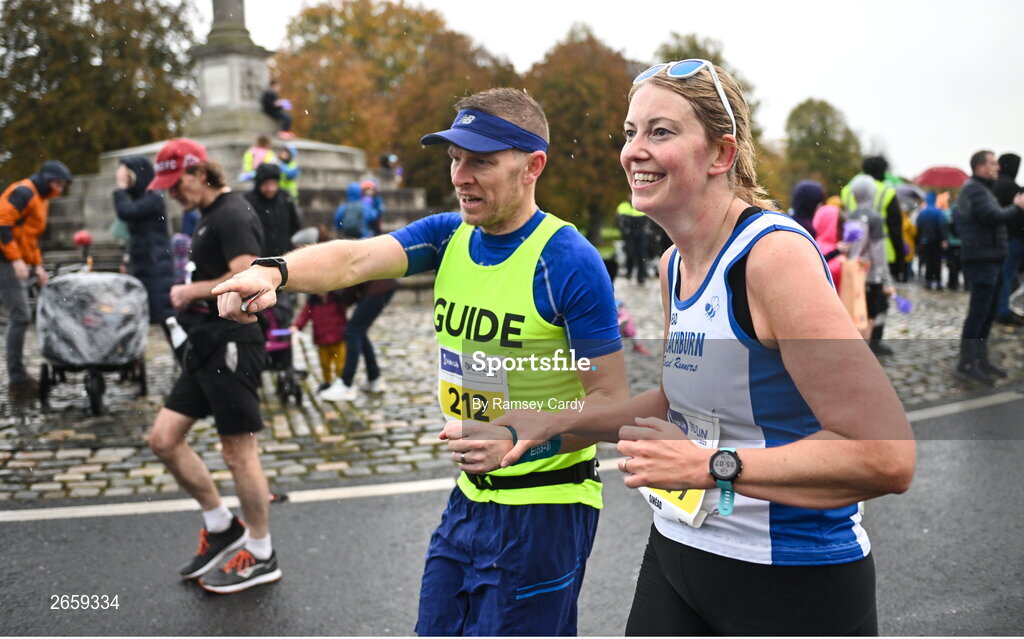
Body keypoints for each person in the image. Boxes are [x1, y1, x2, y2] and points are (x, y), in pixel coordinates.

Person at [491, 59, 915, 635]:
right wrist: (554, 425)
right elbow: (682, 401)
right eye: (630, 133)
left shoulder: (772, 259)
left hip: (790, 579)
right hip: (678, 554)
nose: (634, 151)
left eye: (660, 132)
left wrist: (707, 466)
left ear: (720, 154)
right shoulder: (672, 265)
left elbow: (886, 457)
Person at [213, 87, 627, 636]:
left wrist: (525, 436)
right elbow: (355, 258)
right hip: (468, 502)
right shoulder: (450, 234)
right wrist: (271, 272)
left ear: (533, 166)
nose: (460, 175)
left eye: (480, 160)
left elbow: (612, 406)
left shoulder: (568, 260)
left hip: (546, 509)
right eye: (455, 158)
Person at [144, 138, 281, 594]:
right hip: (203, 346)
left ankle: (262, 552)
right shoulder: (206, 216)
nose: (172, 193)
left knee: (238, 453)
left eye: (176, 182)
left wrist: (191, 291)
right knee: (163, 439)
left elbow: (247, 278)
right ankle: (221, 525)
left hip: (232, 344)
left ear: (200, 171)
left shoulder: (233, 213)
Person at [0, 160, 73, 393]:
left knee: (21, 315)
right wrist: (16, 259)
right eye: (58, 184)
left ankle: (18, 375)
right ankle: (17, 378)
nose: (60, 190)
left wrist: (38, 265)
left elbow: (29, 238)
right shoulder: (24, 192)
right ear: (48, 180)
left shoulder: (41, 199)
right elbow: (2, 223)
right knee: (20, 316)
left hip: (13, 258)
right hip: (4, 258)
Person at [955, 150, 1024, 385]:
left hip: (989, 259)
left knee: (987, 313)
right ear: (980, 167)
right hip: (982, 260)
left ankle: (980, 359)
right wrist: (1016, 206)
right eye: (993, 163)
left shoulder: (981, 189)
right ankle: (966, 362)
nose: (997, 167)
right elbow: (992, 216)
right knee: (979, 313)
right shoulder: (975, 188)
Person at [112, 155, 175, 330]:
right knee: (145, 315)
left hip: (155, 265)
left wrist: (120, 189)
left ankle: (184, 354)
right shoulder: (142, 198)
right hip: (145, 262)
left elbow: (126, 212)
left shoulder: (153, 198)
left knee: (164, 317)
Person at [317, 277, 396, 401]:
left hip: (377, 287)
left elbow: (351, 276)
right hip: (383, 284)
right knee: (359, 331)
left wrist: (344, 301)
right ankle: (374, 378)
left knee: (352, 332)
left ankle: (346, 384)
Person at [847, 175, 897, 348]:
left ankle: (859, 344)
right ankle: (872, 346)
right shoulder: (875, 219)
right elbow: (879, 253)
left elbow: (850, 247)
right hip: (872, 274)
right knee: (876, 311)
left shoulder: (852, 215)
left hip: (856, 272)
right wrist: (887, 281)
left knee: (859, 311)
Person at [842, 156, 905, 282]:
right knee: (878, 296)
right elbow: (895, 228)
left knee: (855, 295)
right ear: (883, 171)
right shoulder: (887, 192)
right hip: (883, 254)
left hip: (852, 251)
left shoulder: (847, 190)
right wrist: (900, 258)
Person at [291, 291, 351, 392]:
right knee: (325, 364)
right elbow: (304, 315)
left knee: (340, 364)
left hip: (338, 338)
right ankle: (327, 382)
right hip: (322, 340)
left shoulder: (337, 299)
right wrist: (297, 326)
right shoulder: (312, 303)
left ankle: (341, 381)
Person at [992, 153, 1024, 324]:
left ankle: (1000, 307)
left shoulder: (994, 185)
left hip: (998, 238)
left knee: (1002, 276)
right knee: (1006, 275)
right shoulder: (1012, 187)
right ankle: (1002, 310)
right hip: (1013, 239)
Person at [916, 192, 949, 291]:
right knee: (937, 262)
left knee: (928, 261)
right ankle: (938, 281)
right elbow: (942, 226)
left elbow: (918, 226)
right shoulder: (938, 212)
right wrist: (943, 239)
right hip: (936, 241)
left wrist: (920, 238)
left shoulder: (922, 212)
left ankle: (928, 281)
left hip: (925, 240)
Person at [618, 197, 650, 283]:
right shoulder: (623, 206)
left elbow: (649, 220)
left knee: (642, 255)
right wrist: (624, 230)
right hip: (630, 234)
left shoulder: (643, 204)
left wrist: (646, 230)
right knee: (630, 254)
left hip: (641, 234)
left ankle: (641, 277)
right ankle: (629, 272)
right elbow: (619, 220)